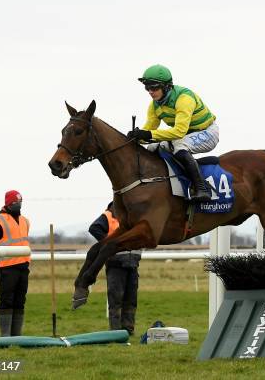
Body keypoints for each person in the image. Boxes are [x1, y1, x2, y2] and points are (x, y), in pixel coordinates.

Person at [127, 64, 219, 201]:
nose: (150, 92)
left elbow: (179, 132)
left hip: (207, 132)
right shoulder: (154, 105)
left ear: (167, 86)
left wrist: (148, 134)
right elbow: (149, 130)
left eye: (154, 87)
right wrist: (135, 137)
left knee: (179, 146)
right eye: (147, 88)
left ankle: (202, 188)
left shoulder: (184, 98)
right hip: (184, 135)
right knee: (152, 147)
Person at [89, 202, 141, 335]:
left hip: (133, 264)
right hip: (115, 265)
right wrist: (110, 243)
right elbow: (94, 228)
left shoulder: (134, 216)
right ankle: (116, 332)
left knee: (131, 300)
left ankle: (128, 331)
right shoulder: (109, 215)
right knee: (116, 300)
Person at [0, 190, 30, 337]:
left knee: (20, 301)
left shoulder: (25, 221)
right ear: (9, 204)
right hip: (7, 268)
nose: (19, 205)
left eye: (20, 202)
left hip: (24, 267)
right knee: (7, 301)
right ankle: (5, 337)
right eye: (16, 202)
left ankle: (17, 337)